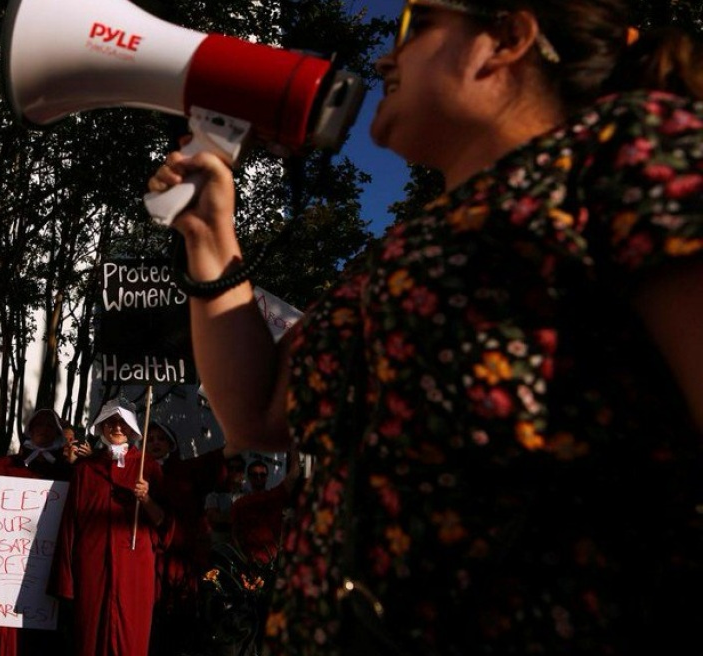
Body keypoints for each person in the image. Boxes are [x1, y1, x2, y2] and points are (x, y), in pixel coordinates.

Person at [148, 1, 703, 653]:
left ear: (507, 39)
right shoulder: (399, 253)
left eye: (415, 24)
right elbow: (260, 413)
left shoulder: (630, 149)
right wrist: (210, 234)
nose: (386, 58)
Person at [50, 399, 166, 656]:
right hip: (92, 568)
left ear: (132, 428)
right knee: (90, 636)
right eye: (111, 422)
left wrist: (146, 499)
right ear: (101, 426)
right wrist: (65, 580)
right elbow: (69, 525)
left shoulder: (148, 466)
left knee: (131, 637)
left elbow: (163, 523)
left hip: (134, 568)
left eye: (123, 423)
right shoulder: (86, 470)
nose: (117, 428)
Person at [0, 408, 75, 656]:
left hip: (45, 560)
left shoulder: (65, 470)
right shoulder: (7, 464)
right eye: (38, 425)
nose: (43, 431)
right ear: (29, 430)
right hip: (6, 560)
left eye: (50, 427)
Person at [144, 419, 229, 656]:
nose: (155, 443)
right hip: (148, 557)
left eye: (161, 439)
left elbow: (213, 466)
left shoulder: (185, 470)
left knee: (179, 620)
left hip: (180, 557)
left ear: (171, 445)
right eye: (150, 439)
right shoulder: (138, 471)